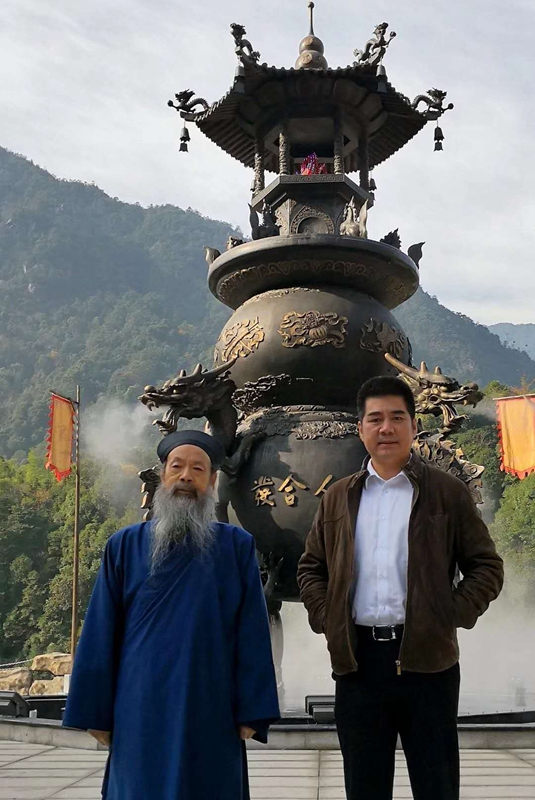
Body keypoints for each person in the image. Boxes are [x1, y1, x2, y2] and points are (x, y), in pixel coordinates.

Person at [297, 376, 504, 800]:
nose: (386, 428)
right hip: (357, 664)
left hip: (428, 663)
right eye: (375, 419)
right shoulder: (339, 497)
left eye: (397, 417)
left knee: (436, 785)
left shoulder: (445, 493)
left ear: (414, 425)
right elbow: (311, 569)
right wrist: (327, 617)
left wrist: (449, 614)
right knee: (365, 787)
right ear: (361, 429)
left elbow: (486, 566)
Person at [63, 429, 280, 800]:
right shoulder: (124, 546)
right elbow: (100, 631)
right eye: (177, 467)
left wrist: (252, 709)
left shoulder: (236, 547)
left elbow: (252, 632)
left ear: (212, 482)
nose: (186, 477)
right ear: (162, 476)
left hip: (211, 702)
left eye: (198, 469)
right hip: (138, 703)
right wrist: (94, 712)